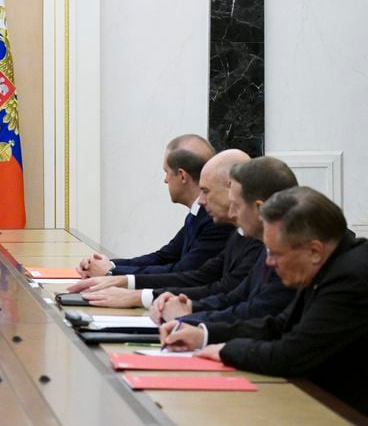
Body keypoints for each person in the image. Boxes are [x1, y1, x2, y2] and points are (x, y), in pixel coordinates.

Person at [160, 187, 368, 415]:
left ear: (314, 251)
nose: (269, 262)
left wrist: (225, 350)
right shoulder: (328, 262)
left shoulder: (350, 277)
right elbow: (278, 326)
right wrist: (203, 335)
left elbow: (290, 355)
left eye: (275, 253)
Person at [66, 150, 263, 308]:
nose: (201, 201)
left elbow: (218, 289)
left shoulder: (241, 234)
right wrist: (117, 274)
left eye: (206, 191)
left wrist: (134, 292)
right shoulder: (239, 233)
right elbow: (183, 265)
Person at [151, 156, 297, 324]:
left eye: (236, 205)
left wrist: (188, 318)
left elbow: (257, 312)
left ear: (259, 208)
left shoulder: (289, 254)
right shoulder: (259, 244)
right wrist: (190, 307)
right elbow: (235, 297)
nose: (233, 214)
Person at [76, 134, 231, 276]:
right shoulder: (197, 214)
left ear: (182, 175)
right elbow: (164, 257)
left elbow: (183, 271)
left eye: (167, 172)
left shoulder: (214, 219)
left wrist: (111, 272)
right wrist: (108, 265)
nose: (165, 180)